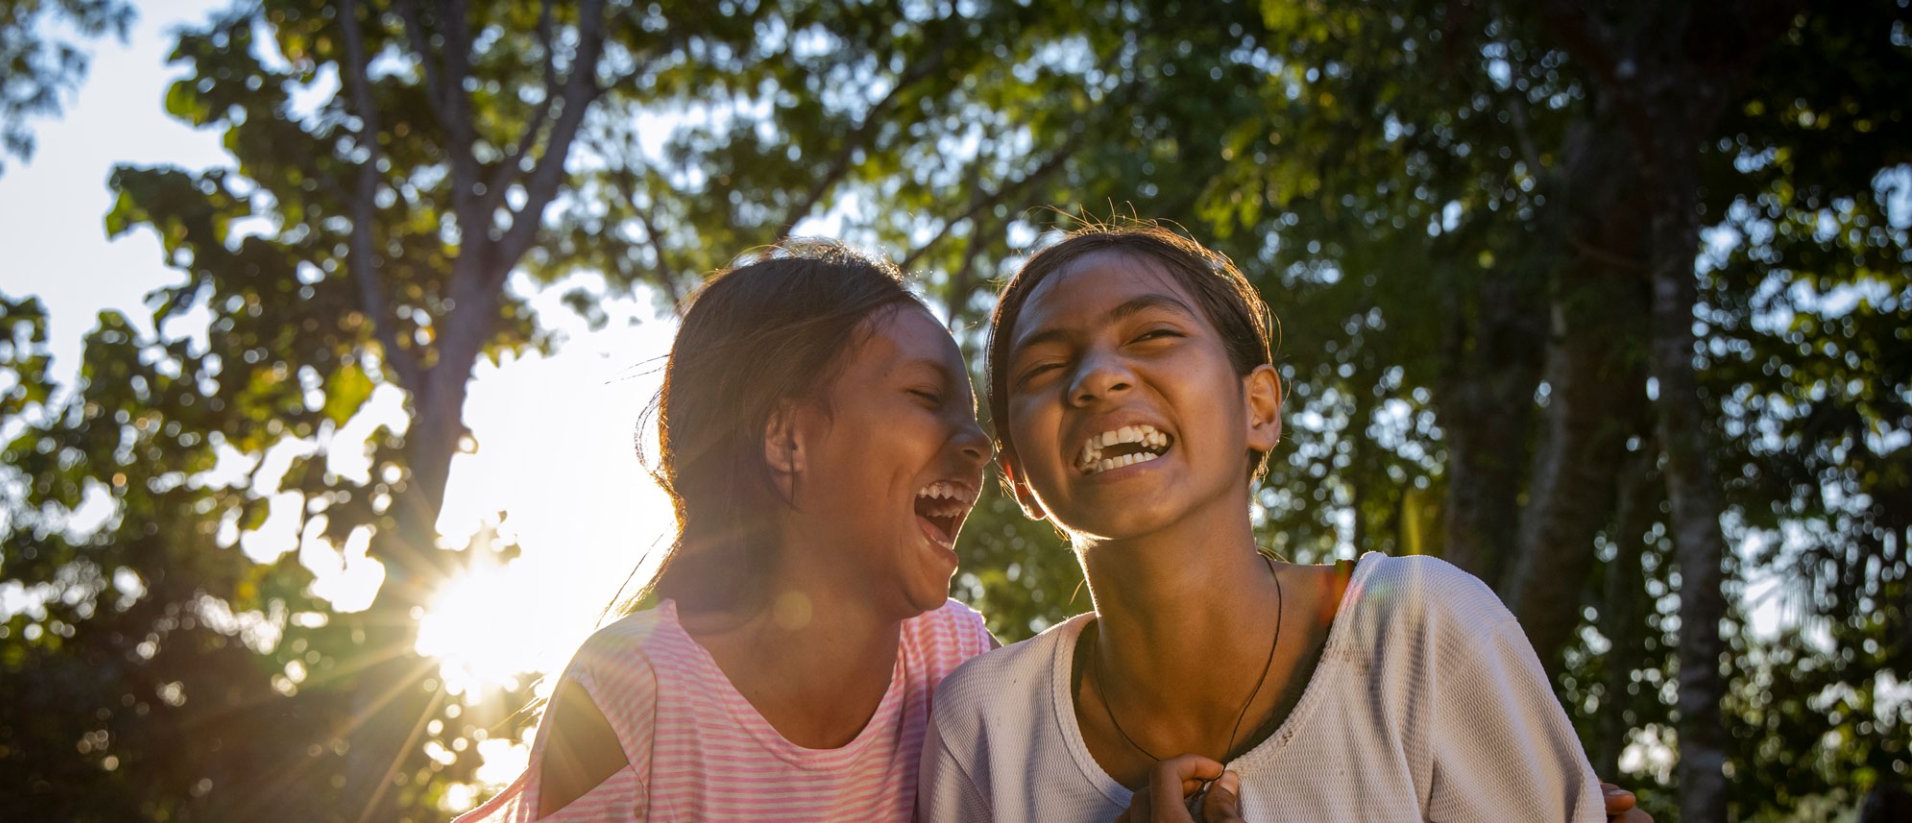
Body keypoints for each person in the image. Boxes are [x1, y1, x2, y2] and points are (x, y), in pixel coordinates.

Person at [919, 223, 1635, 822]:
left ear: (1259, 408)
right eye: (1044, 366)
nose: (1097, 378)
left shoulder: (1422, 636)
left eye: (1153, 334)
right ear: (1017, 477)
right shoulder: (983, 730)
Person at [455, 241, 995, 821]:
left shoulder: (958, 659)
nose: (980, 445)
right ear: (788, 440)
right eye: (926, 397)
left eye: (972, 416)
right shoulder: (634, 693)